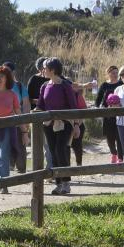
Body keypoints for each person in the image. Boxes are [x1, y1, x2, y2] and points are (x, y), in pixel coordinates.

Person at [35, 58, 79, 195]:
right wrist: (33, 113)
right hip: (48, 124)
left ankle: (66, 183)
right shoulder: (44, 86)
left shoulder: (65, 85)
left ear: (52, 70)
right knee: (53, 152)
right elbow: (40, 105)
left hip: (64, 123)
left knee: (61, 150)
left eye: (45, 68)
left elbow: (73, 106)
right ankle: (58, 184)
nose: (43, 70)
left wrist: (76, 125)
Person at [2, 62, 32, 173]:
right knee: (5, 146)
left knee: (20, 145)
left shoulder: (19, 86)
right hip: (3, 122)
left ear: (13, 72)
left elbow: (26, 104)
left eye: (7, 71)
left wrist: (25, 122)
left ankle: (21, 170)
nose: (5, 73)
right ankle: (7, 169)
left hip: (18, 121)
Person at [94, 66, 123, 163]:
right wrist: (99, 108)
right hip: (107, 115)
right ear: (108, 73)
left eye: (116, 73)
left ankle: (120, 157)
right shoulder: (104, 85)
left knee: (119, 137)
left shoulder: (121, 84)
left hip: (119, 115)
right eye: (113, 73)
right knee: (109, 138)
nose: (115, 75)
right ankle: (114, 153)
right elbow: (98, 100)